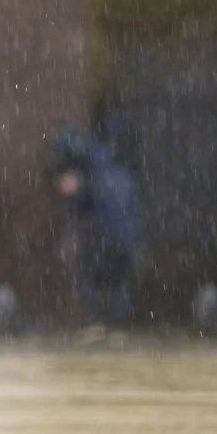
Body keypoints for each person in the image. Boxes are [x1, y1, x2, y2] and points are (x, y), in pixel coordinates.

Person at [55, 126, 139, 345]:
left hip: (100, 237)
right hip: (125, 239)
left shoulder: (91, 175)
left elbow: (80, 202)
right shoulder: (121, 175)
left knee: (90, 278)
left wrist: (72, 191)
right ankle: (117, 328)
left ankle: (95, 325)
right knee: (118, 283)